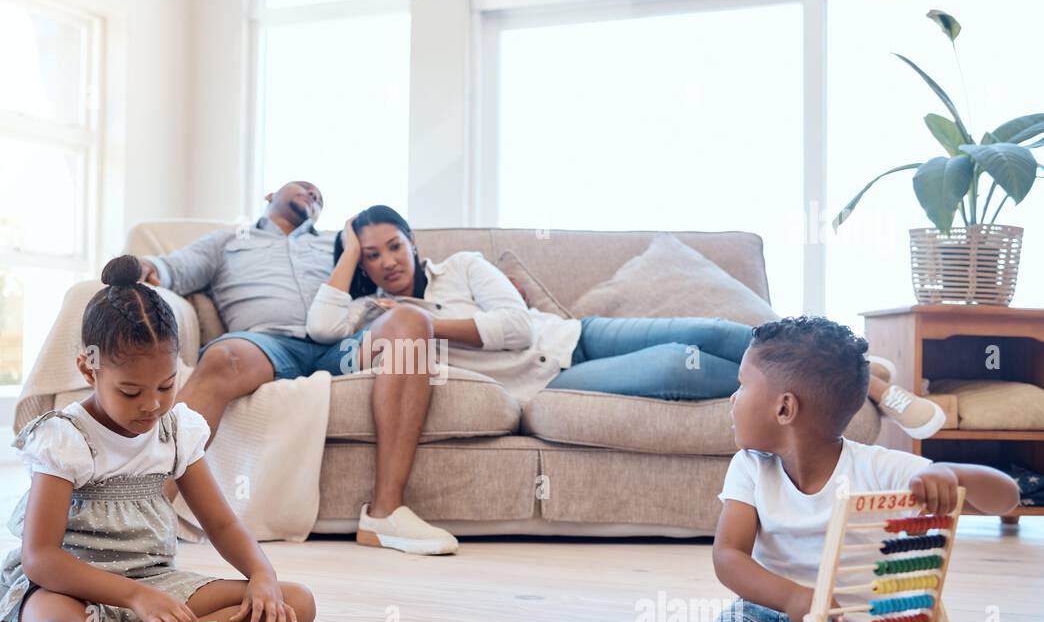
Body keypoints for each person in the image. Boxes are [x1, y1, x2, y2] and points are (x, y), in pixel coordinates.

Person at [571, 316, 1018, 622]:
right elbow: (729, 556)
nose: (732, 397)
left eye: (742, 385)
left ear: (784, 409)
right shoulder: (750, 465)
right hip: (764, 607)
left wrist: (950, 475)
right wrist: (791, 598)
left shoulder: (877, 468)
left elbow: (1007, 497)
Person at [0, 255, 316, 622]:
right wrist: (133, 599)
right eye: (131, 391)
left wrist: (263, 575)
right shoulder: (65, 438)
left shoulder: (176, 430)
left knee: (293, 604)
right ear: (87, 368)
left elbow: (223, 523)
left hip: (156, 582)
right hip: (71, 585)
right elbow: (41, 558)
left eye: (166, 386)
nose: (152, 405)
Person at [307, 204, 947, 435]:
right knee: (679, 366)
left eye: (394, 245)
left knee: (717, 333)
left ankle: (863, 373)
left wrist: (426, 320)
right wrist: (344, 256)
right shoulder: (375, 315)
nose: (387, 261)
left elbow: (517, 328)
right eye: (370, 255)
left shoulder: (466, 266)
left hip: (576, 336)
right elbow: (319, 327)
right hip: (546, 381)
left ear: (414, 244)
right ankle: (857, 380)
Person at [139, 181, 457, 555]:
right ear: (271, 195)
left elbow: (389, 286)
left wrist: (353, 249)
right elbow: (169, 270)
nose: (313, 194)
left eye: (319, 196)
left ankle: (384, 513)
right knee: (223, 359)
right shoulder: (228, 241)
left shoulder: (336, 245)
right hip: (266, 344)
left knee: (411, 322)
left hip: (339, 345)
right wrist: (141, 267)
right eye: (303, 187)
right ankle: (143, 514)